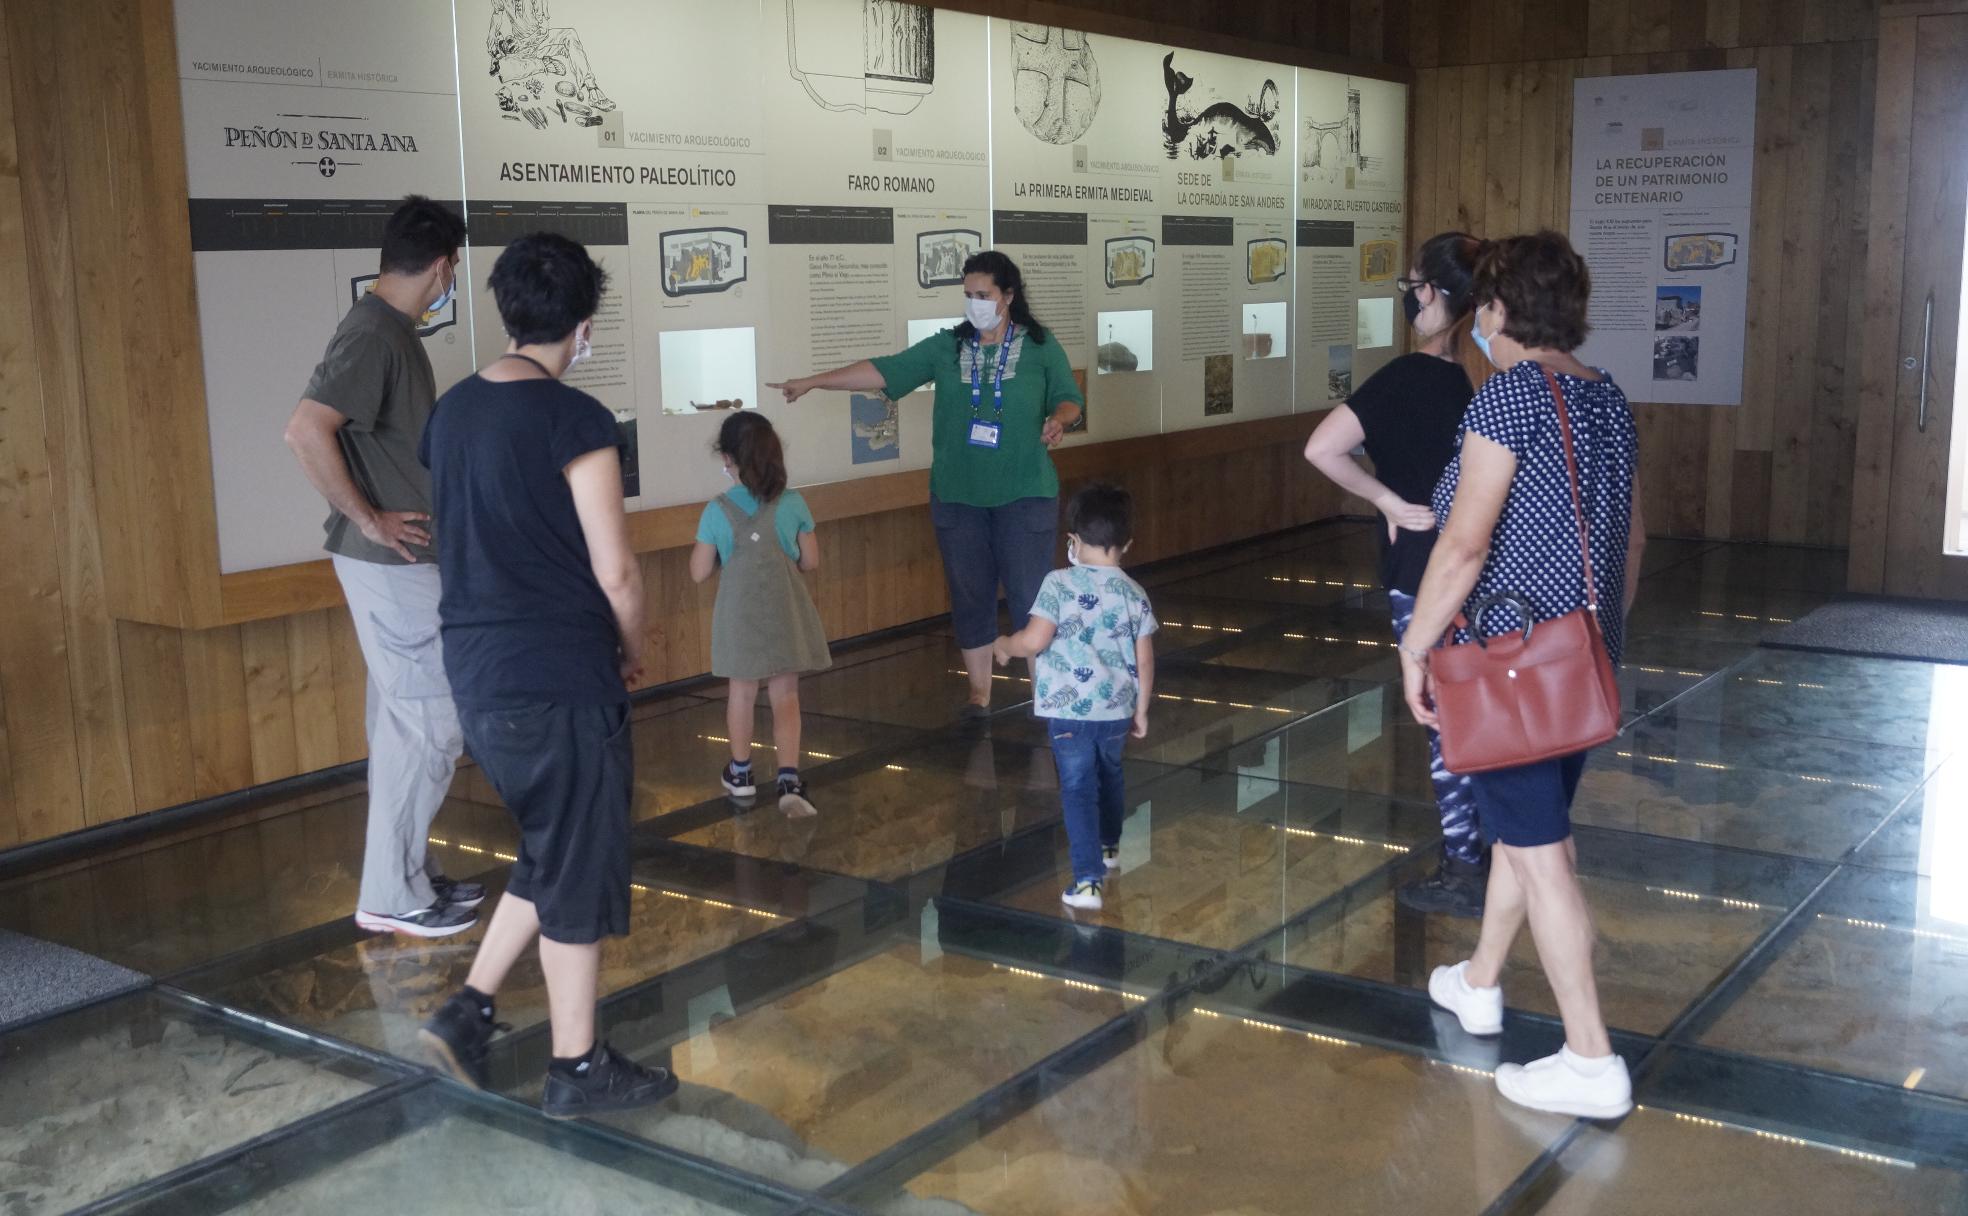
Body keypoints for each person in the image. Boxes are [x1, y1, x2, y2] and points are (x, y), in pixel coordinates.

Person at [417, 232, 675, 1117]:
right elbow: (618, 572)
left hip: (479, 670)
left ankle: (467, 1012)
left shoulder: (450, 413)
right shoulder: (576, 419)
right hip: (560, 672)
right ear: (585, 323)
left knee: (552, 841)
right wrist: (634, 647)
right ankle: (576, 1068)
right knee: (578, 864)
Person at [1397, 231, 1646, 1119]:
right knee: (1524, 833)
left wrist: (1415, 645)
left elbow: (1463, 544)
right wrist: (1600, 641)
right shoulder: (1606, 398)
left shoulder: (1506, 400)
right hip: (1578, 661)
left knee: (1545, 857)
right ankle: (1479, 982)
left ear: (1496, 311)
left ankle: (1589, 1058)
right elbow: (1633, 541)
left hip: (1509, 665)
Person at [769, 251, 1085, 717]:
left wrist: (1058, 420)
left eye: (984, 295)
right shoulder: (948, 347)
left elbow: (1069, 399)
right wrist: (814, 382)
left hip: (1024, 495)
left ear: (1009, 296)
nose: (974, 304)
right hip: (958, 498)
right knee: (970, 595)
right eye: (968, 295)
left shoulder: (1040, 346)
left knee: (1030, 597)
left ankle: (1046, 697)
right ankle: (979, 695)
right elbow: (884, 369)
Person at [284, 195, 482, 938]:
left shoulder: (388, 329)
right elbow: (305, 430)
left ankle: (406, 876)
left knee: (407, 725)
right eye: (452, 270)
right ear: (443, 265)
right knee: (432, 721)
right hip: (389, 562)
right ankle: (391, 896)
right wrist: (369, 517)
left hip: (399, 562)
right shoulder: (374, 334)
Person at [1303, 231, 1493, 918]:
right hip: (1467, 567)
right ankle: (1483, 847)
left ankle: (1465, 862)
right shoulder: (1464, 382)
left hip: (1420, 567)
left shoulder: (1405, 378)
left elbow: (1322, 447)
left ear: (1436, 295)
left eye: (1412, 286)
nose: (1408, 298)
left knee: (1438, 716)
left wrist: (1386, 501)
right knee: (1463, 712)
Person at [992, 483, 1156, 911]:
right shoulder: (1134, 593)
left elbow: (1034, 639)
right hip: (1116, 710)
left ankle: (1087, 882)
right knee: (1111, 774)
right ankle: (1109, 848)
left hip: (1068, 712)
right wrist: (1141, 709)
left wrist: (1006, 645)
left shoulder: (1058, 584)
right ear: (1127, 545)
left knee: (1078, 788)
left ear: (1074, 541)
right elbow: (1145, 659)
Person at [689, 412, 831, 815]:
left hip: (740, 616)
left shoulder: (716, 510)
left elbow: (698, 572)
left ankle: (742, 773)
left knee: (742, 691)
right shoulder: (793, 502)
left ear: (729, 460)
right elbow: (811, 561)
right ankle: (789, 779)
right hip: (785, 609)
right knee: (786, 694)